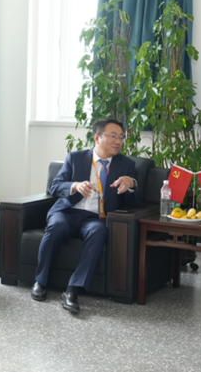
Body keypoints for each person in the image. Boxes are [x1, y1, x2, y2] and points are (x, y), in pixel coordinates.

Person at [32, 118, 142, 314]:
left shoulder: (126, 165)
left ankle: (72, 291)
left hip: (95, 218)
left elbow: (136, 201)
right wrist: (74, 185)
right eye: (113, 136)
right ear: (97, 137)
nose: (119, 141)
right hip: (66, 212)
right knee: (56, 227)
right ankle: (40, 281)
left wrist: (131, 183)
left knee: (99, 233)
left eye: (121, 137)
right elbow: (54, 186)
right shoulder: (75, 158)